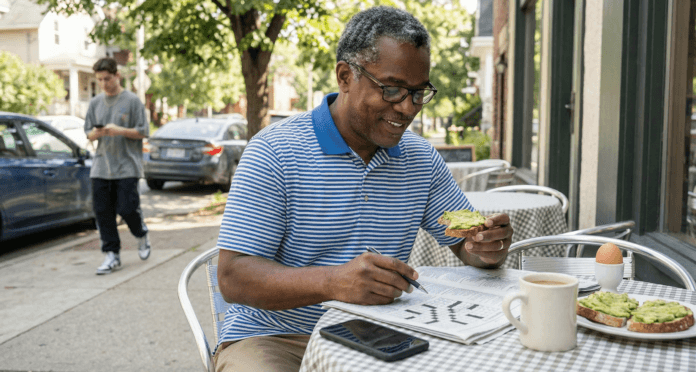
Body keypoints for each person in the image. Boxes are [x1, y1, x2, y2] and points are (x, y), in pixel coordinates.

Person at [214, 6, 513, 372]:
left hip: (384, 332)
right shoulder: (274, 152)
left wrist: (487, 247)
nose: (407, 108)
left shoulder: (421, 159)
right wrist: (334, 281)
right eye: (392, 89)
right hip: (275, 337)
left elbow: (467, 248)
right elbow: (233, 276)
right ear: (345, 75)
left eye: (419, 93)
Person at [85, 57, 151, 275]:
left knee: (127, 208)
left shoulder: (132, 101)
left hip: (127, 166)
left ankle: (141, 234)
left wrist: (119, 130)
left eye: (107, 78)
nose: (104, 83)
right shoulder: (95, 103)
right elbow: (88, 133)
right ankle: (111, 254)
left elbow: (143, 131)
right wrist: (98, 133)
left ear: (117, 76)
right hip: (101, 166)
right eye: (100, 80)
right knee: (103, 212)